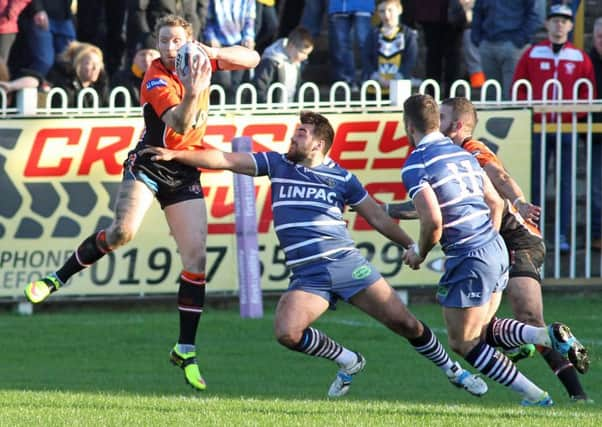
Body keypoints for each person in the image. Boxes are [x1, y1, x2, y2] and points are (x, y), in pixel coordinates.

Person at [141, 110, 489, 399]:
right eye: (295, 133)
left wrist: (410, 246)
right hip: (308, 276)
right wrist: (177, 154)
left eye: (301, 134)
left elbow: (378, 217)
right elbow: (224, 158)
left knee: (406, 324)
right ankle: (350, 361)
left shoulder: (343, 178)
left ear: (319, 144)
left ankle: (454, 370)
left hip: (347, 266)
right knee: (287, 332)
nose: (293, 138)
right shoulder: (277, 164)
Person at [23, 14, 260, 392]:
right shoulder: (155, 77)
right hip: (150, 162)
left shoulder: (197, 57)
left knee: (196, 259)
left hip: (183, 168)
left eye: (177, 41)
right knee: (122, 232)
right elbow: (180, 125)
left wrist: (210, 53)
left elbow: (254, 60)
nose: (170, 48)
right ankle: (57, 277)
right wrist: (197, 89)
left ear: (189, 40)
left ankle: (185, 349)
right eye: (164, 41)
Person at [388, 97, 590, 402]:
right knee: (482, 330)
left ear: (409, 126)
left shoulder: (432, 158)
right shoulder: (460, 156)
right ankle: (544, 351)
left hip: (494, 247)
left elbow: (434, 218)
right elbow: (492, 202)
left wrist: (421, 252)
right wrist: (488, 239)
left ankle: (545, 389)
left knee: (463, 340)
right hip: (495, 247)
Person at [512, 4, 597, 253]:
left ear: (571, 26)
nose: (559, 24)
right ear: (547, 24)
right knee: (535, 183)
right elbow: (519, 86)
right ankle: (533, 233)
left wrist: (574, 114)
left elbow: (587, 92)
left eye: (564, 20)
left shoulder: (579, 57)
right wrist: (529, 113)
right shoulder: (533, 53)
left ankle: (561, 235)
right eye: (555, 20)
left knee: (566, 183)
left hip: (567, 128)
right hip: (538, 128)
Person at [471, 0, 539, 99]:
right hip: (488, 43)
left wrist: (519, 40)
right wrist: (477, 38)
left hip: (514, 47)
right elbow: (477, 11)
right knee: (491, 94)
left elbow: (535, 16)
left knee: (512, 93)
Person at [204, 0, 256, 103]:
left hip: (239, 43)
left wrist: (249, 37)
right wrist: (211, 37)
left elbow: (249, 21)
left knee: (236, 83)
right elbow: (208, 21)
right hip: (219, 45)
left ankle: (232, 112)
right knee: (223, 81)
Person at [365, 0, 418, 95]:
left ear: (399, 10)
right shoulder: (373, 34)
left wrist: (397, 78)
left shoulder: (408, 34)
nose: (386, 14)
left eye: (390, 10)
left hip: (399, 88)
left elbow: (411, 58)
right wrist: (376, 77)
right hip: (375, 88)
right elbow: (366, 57)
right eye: (381, 11)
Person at [252, 26, 313, 103]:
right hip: (273, 110)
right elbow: (260, 86)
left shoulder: (296, 62)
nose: (305, 57)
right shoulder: (272, 61)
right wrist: (267, 106)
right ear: (291, 46)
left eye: (307, 54)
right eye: (303, 53)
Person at [45, 41, 110, 108]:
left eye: (98, 64)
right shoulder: (64, 85)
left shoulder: (101, 85)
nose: (95, 68)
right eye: (89, 63)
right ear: (77, 64)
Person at [327, 0, 375, 89]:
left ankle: (368, 78)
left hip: (363, 4)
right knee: (341, 44)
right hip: (339, 5)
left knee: (365, 43)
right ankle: (347, 80)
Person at [110, 34, 160, 106]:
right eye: (142, 54)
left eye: (151, 54)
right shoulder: (120, 79)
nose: (146, 59)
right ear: (134, 58)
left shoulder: (167, 78)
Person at [587, 17, 602, 251]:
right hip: (596, 134)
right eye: (600, 36)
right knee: (598, 186)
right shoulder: (586, 60)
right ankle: (598, 233)